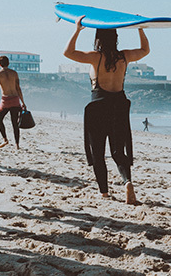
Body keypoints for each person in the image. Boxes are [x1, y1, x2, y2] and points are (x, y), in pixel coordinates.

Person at [63, 16, 149, 204]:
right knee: (119, 151)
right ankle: (127, 182)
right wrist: (140, 29)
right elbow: (145, 50)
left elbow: (68, 53)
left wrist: (77, 29)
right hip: (119, 107)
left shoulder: (96, 57)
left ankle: (104, 192)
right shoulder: (124, 56)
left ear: (98, 39)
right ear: (115, 38)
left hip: (98, 108)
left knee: (98, 152)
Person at [0, 56, 27, 149]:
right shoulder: (14, 73)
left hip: (5, 101)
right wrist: (23, 102)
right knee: (15, 123)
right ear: (8, 63)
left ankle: (5, 139)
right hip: (15, 99)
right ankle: (17, 145)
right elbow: (18, 88)